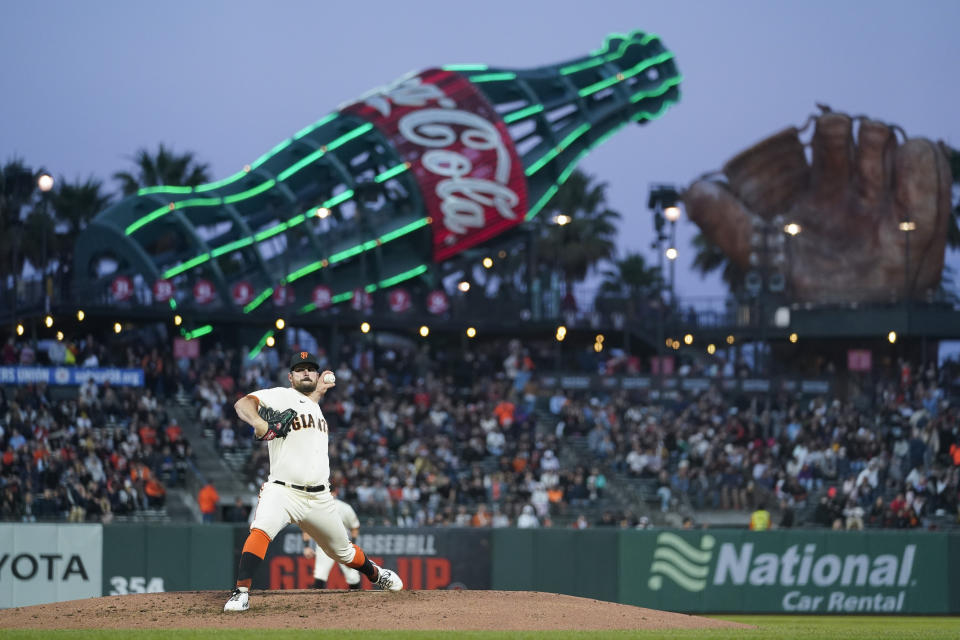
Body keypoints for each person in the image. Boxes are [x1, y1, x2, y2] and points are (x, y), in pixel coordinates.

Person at [224, 351, 402, 612]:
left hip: (320, 497)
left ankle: (376, 573)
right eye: (300, 369)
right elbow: (242, 404)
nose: (305, 372)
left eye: (310, 369)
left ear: (316, 375)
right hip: (282, 490)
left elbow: (308, 401)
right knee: (260, 530)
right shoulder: (281, 395)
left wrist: (319, 391)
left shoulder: (314, 405)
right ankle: (240, 593)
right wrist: (260, 422)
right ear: (291, 376)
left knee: (344, 552)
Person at [301, 489, 362, 589]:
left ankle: (357, 602)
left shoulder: (317, 507)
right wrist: (307, 547)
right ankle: (357, 602)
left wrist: (307, 547)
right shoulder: (343, 507)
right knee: (321, 575)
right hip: (329, 545)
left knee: (352, 577)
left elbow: (355, 527)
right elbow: (355, 527)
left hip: (340, 545)